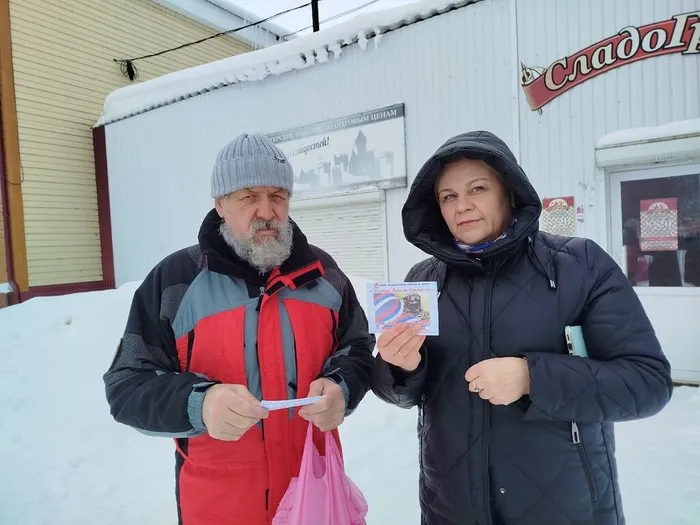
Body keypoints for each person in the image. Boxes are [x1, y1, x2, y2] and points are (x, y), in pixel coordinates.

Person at [371, 130, 673, 525]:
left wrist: (532, 378)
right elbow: (398, 392)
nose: (462, 205)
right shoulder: (423, 279)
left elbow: (647, 383)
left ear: (508, 192)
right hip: (450, 509)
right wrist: (400, 367)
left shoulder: (579, 265)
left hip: (564, 508)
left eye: (478, 188)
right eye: (448, 196)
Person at [103, 132, 375, 525]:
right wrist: (200, 404)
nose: (266, 211)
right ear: (220, 204)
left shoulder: (324, 274)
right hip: (218, 507)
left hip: (314, 496)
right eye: (249, 197)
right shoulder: (175, 281)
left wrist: (341, 388)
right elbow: (127, 385)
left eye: (277, 196)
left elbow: (358, 350)